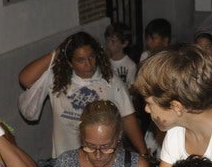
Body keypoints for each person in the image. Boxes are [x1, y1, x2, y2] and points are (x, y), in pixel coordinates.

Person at [18, 31, 149, 159]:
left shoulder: (111, 81)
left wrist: (144, 153)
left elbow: (128, 117)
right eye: (81, 60)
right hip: (66, 159)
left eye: (91, 56)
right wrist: (58, 51)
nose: (88, 64)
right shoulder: (57, 79)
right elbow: (25, 79)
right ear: (70, 62)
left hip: (102, 160)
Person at [104, 22, 138, 86]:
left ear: (124, 43)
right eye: (107, 40)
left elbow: (132, 88)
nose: (108, 44)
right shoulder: (105, 61)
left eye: (113, 41)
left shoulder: (130, 66)